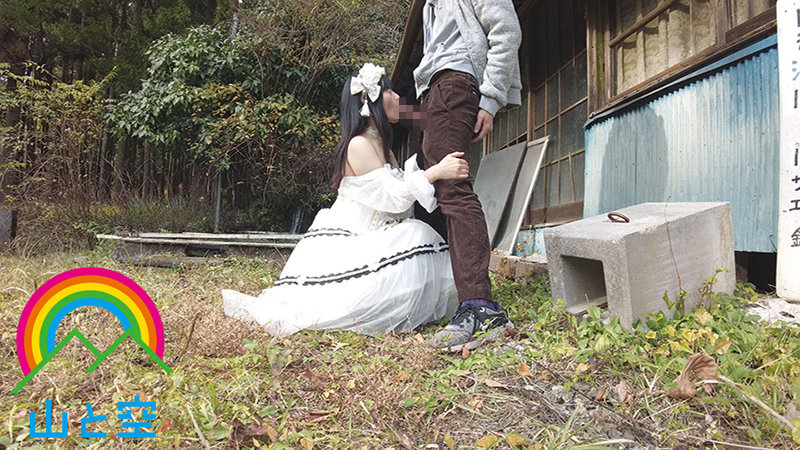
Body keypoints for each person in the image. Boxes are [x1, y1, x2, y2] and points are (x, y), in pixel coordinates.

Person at [222, 63, 469, 336]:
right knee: (417, 235)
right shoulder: (359, 144)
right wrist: (435, 172)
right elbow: (394, 199)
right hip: (354, 239)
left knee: (418, 235)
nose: (398, 98)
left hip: (376, 234)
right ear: (367, 99)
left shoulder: (380, 146)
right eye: (390, 92)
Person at [415, 0, 522, 351]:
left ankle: (480, 307)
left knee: (453, 190)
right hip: (434, 90)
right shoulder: (430, 7)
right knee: (443, 193)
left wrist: (490, 99)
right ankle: (468, 300)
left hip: (454, 83)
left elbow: (506, 30)